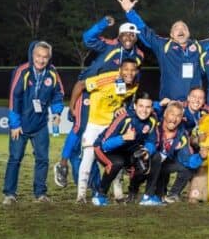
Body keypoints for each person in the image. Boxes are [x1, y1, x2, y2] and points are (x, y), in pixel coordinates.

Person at [53, 16, 144, 189]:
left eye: (132, 35)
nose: (128, 38)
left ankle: (115, 170)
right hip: (89, 90)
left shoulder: (138, 55)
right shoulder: (110, 46)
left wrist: (124, 102)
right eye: (124, 34)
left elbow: (131, 80)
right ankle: (62, 165)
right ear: (119, 35)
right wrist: (102, 24)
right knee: (80, 127)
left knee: (110, 134)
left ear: (136, 37)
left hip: (110, 99)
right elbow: (88, 39)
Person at [3, 41, 65, 205]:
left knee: (43, 160)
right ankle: (9, 194)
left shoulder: (52, 73)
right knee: (15, 158)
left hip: (40, 125)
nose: (41, 60)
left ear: (49, 58)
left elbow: (58, 94)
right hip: (21, 125)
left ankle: (40, 194)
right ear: (32, 55)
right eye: (38, 56)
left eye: (45, 57)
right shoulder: (22, 71)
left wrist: (57, 112)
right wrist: (15, 124)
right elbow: (13, 97)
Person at [76, 59, 140, 203]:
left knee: (115, 159)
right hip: (94, 124)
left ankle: (118, 195)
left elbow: (123, 100)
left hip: (111, 126)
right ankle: (80, 195)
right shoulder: (107, 79)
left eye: (133, 70)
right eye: (126, 69)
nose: (129, 72)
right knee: (88, 157)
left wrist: (121, 108)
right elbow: (80, 85)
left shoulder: (134, 85)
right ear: (120, 69)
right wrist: (73, 108)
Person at [92, 93, 158, 206]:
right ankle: (100, 195)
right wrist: (123, 138)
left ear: (151, 108)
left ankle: (144, 196)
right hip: (104, 149)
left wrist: (147, 150)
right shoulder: (124, 117)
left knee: (154, 157)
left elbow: (151, 141)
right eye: (141, 106)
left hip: (127, 151)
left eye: (148, 107)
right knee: (116, 163)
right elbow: (104, 144)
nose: (144, 110)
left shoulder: (152, 120)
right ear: (135, 106)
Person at [140, 101, 203, 205]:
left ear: (182, 118)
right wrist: (159, 104)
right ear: (165, 114)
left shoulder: (181, 136)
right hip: (146, 162)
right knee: (156, 158)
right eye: (172, 114)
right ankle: (137, 193)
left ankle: (172, 194)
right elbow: (145, 109)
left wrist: (201, 156)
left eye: (178, 116)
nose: (174, 119)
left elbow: (186, 159)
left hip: (163, 165)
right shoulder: (154, 125)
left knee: (187, 168)